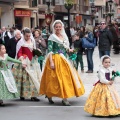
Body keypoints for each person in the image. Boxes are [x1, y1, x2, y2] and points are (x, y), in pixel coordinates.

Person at [39, 20, 85, 106]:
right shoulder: (52, 37)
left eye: (60, 27)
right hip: (55, 58)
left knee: (65, 78)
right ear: (54, 28)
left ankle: (64, 97)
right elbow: (50, 50)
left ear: (62, 27)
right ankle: (50, 95)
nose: (58, 28)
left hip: (64, 59)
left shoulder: (64, 37)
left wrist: (70, 50)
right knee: (54, 79)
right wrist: (51, 62)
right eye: (56, 27)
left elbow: (66, 48)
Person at [13, 28, 41, 101]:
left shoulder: (32, 40)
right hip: (24, 61)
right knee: (24, 79)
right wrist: (22, 61)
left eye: (29, 36)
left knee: (33, 78)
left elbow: (33, 50)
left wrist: (37, 53)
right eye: (26, 36)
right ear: (23, 35)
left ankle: (33, 95)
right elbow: (19, 53)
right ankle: (22, 94)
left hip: (32, 62)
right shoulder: (20, 42)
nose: (28, 37)